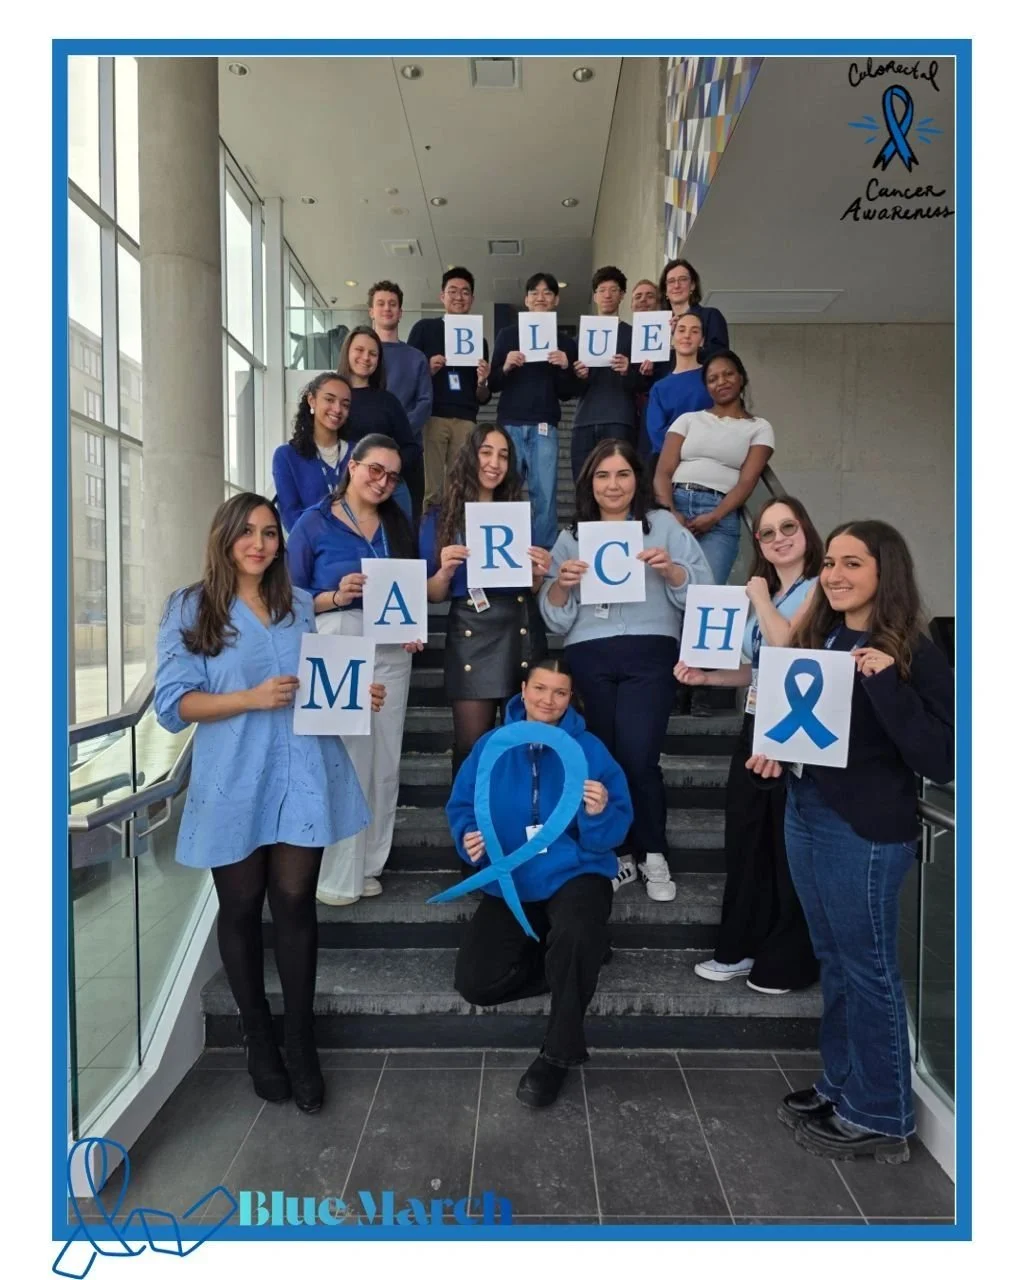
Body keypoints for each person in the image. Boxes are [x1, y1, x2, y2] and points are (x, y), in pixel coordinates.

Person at [154, 493, 383, 1113]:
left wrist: (358, 693)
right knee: (242, 904)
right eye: (248, 531)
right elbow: (173, 706)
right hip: (233, 774)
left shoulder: (298, 604)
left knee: (294, 903)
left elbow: (316, 687)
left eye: (271, 533)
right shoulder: (190, 606)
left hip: (302, 767)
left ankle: (300, 1040)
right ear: (224, 536)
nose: (260, 543)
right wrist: (250, 698)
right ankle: (258, 1037)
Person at [749, 521, 954, 1163]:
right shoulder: (825, 633)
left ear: (882, 572)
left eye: (851, 564)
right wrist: (778, 756)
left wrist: (885, 683)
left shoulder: (912, 647)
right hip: (808, 810)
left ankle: (883, 1115)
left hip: (863, 830)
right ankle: (843, 1087)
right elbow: (811, 730)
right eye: (830, 562)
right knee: (834, 960)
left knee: (868, 972)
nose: (834, 574)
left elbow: (941, 755)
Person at [450, 657, 633, 1108]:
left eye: (560, 692)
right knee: (476, 984)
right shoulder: (492, 744)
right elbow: (462, 806)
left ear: (571, 698)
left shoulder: (590, 749)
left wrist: (600, 811)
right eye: (540, 689)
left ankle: (558, 1053)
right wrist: (467, 838)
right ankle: (576, 960)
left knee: (574, 929)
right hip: (513, 873)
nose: (548, 700)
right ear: (523, 689)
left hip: (577, 871)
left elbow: (619, 826)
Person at [540, 441, 713, 902]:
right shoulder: (571, 537)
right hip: (589, 653)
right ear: (589, 484)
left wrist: (673, 572)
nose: (612, 484)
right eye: (602, 475)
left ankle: (653, 851)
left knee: (639, 757)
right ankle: (614, 853)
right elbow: (554, 618)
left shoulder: (663, 528)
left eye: (621, 474)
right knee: (601, 758)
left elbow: (703, 589)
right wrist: (561, 585)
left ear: (637, 478)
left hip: (649, 651)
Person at [674, 496, 822, 993]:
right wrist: (707, 677)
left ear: (806, 530)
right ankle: (739, 948)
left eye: (788, 527)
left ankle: (786, 959)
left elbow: (787, 648)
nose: (779, 538)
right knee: (745, 840)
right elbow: (755, 667)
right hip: (756, 723)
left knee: (784, 848)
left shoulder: (819, 587)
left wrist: (758, 596)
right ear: (757, 542)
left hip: (797, 731)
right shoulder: (770, 593)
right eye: (767, 532)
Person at [287, 434, 420, 907]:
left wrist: (414, 625)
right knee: (343, 756)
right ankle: (330, 872)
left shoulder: (399, 525)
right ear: (352, 466)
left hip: (390, 646)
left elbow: (409, 590)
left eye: (392, 475)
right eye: (375, 470)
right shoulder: (313, 523)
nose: (383, 481)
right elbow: (289, 598)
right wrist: (336, 596)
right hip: (337, 639)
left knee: (385, 757)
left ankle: (369, 864)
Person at [421, 424, 551, 783]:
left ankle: (516, 830)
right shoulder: (440, 515)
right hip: (470, 630)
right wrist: (445, 571)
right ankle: (470, 831)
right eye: (487, 452)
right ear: (470, 456)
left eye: (504, 455)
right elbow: (432, 594)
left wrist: (539, 573)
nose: (495, 463)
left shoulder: (520, 513)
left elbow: (534, 585)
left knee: (521, 746)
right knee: (471, 746)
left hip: (519, 624)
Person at [654, 349, 774, 587]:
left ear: (741, 378)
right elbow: (663, 473)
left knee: (704, 592)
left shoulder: (759, 427)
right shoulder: (688, 419)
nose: (721, 382)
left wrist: (715, 516)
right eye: (712, 379)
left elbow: (747, 482)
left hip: (719, 513)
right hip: (674, 505)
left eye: (728, 374)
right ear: (706, 387)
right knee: (664, 589)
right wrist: (670, 512)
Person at [489, 272, 579, 550]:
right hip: (510, 424)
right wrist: (505, 366)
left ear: (556, 300)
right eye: (535, 293)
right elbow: (492, 383)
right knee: (505, 493)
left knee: (546, 498)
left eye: (547, 293)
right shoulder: (508, 335)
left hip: (544, 426)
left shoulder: (564, 342)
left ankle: (543, 562)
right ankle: (505, 555)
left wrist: (565, 366)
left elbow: (568, 392)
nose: (541, 297)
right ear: (526, 300)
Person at [407, 266, 491, 511]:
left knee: (463, 487)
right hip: (432, 416)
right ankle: (429, 542)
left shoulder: (479, 340)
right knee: (431, 489)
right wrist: (427, 369)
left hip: (466, 418)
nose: (459, 297)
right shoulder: (424, 328)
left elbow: (483, 397)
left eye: (465, 292)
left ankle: (458, 537)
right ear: (441, 296)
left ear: (472, 299)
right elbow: (410, 378)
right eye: (452, 291)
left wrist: (483, 381)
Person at [336, 325, 420, 521]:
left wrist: (387, 471)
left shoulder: (388, 401)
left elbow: (411, 448)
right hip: (341, 488)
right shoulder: (333, 398)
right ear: (347, 352)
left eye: (373, 353)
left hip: (388, 492)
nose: (366, 357)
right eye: (359, 350)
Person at [368, 280, 432, 522]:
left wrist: (399, 431)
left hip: (408, 453)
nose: (387, 308)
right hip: (368, 453)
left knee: (409, 520)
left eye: (392, 304)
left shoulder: (416, 357)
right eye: (381, 303)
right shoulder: (362, 356)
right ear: (371, 311)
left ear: (401, 312)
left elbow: (425, 402)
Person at [570, 266, 638, 480]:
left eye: (614, 290)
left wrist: (629, 370)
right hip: (584, 419)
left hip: (620, 417)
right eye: (602, 290)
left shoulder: (633, 335)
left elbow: (645, 382)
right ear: (595, 296)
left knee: (619, 481)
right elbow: (569, 388)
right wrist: (577, 375)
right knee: (583, 481)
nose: (607, 294)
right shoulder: (580, 337)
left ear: (622, 296)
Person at [272, 373, 353, 533]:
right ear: (312, 401)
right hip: (309, 550)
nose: (337, 409)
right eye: (329, 400)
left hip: (354, 550)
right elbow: (290, 515)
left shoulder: (359, 454)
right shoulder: (286, 456)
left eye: (345, 404)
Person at [643, 311, 713, 463]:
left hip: (709, 461)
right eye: (681, 330)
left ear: (702, 341)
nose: (687, 335)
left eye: (694, 331)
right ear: (672, 339)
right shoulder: (659, 388)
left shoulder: (713, 378)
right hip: (672, 467)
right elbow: (656, 434)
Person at [658, 258, 729, 359]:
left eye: (683, 279)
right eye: (671, 281)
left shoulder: (710, 316)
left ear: (692, 285)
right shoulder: (660, 325)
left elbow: (720, 356)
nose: (677, 285)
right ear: (665, 290)